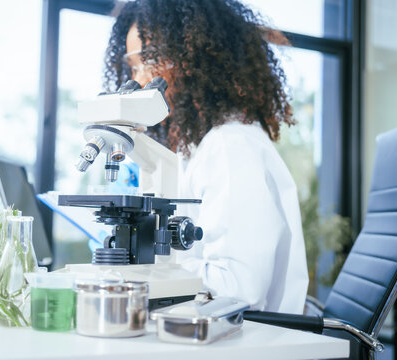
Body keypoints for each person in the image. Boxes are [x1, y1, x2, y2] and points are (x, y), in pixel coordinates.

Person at [103, 0, 309, 314]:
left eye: (151, 59)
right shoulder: (201, 147)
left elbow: (240, 287)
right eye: (133, 66)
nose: (141, 79)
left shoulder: (231, 145)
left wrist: (147, 274)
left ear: (195, 56)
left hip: (251, 339)